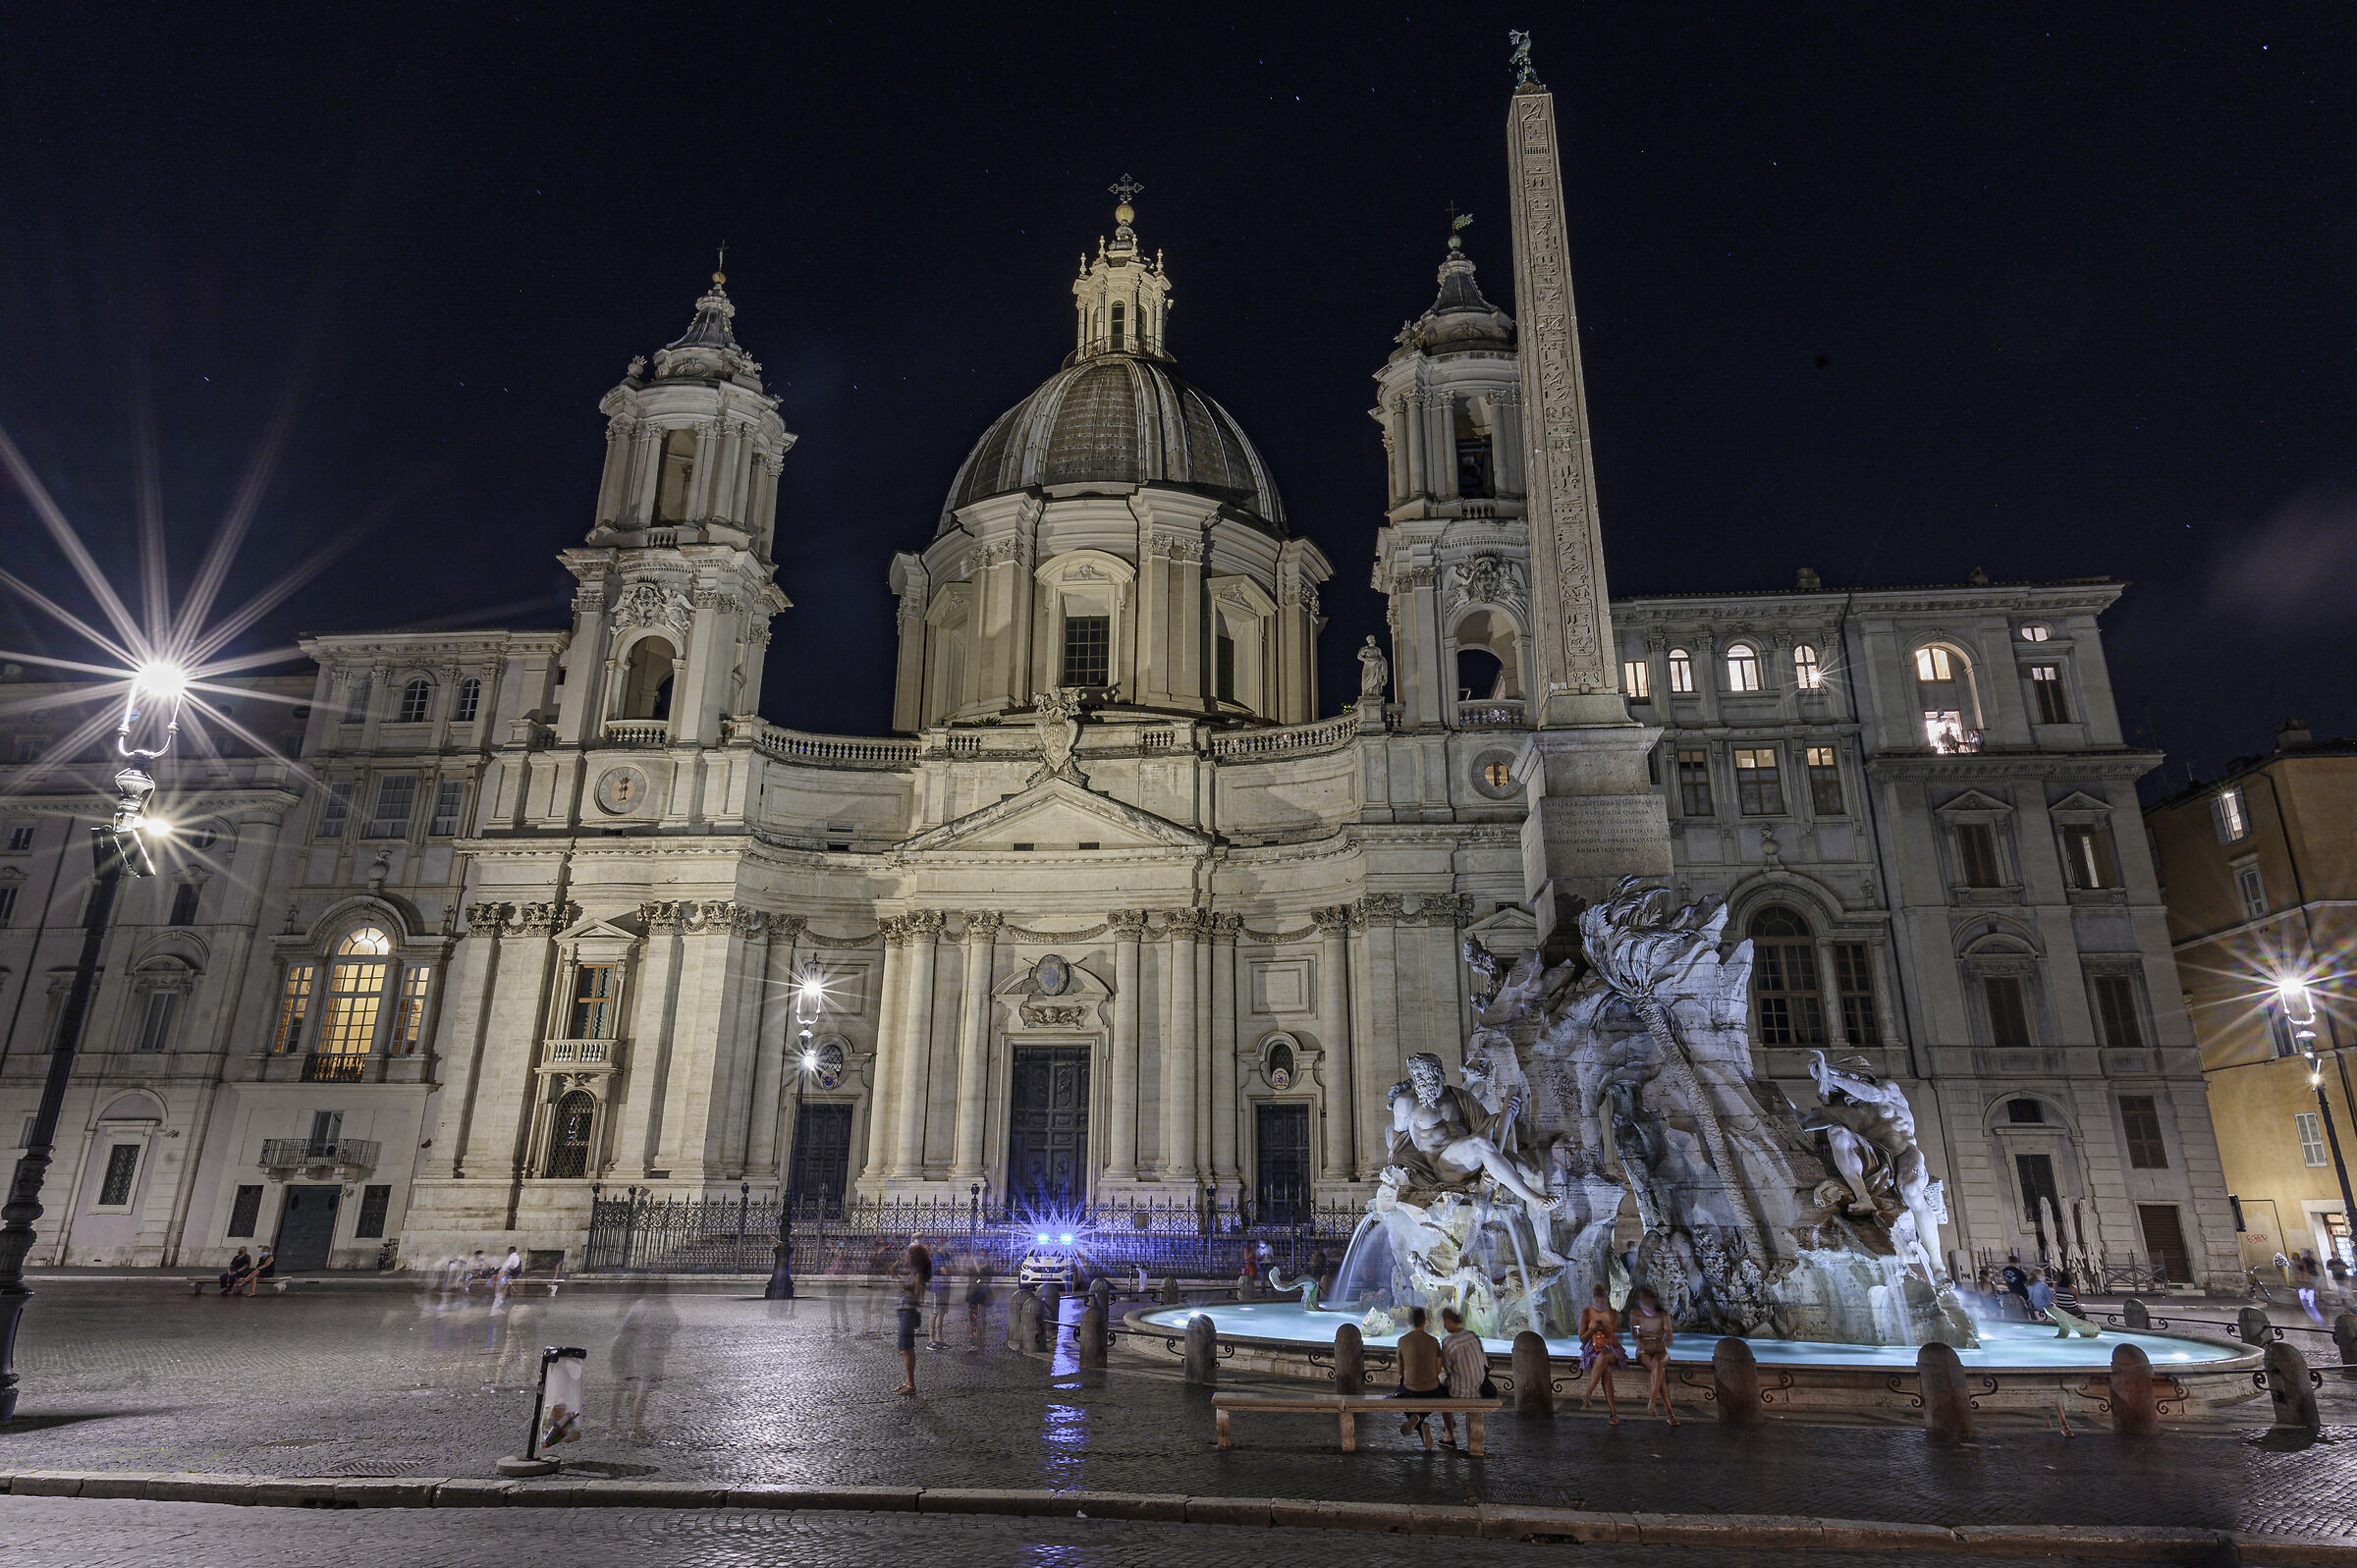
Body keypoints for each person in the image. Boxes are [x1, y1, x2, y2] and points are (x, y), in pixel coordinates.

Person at [1437, 1307, 1489, 1449]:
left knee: (1441, 1386)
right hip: (1480, 1387)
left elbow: (1448, 1369)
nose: (1444, 1326)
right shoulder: (1473, 1336)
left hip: (1460, 1391)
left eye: (1444, 1322)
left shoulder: (1448, 1341)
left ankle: (1449, 1436)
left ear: (1448, 1321)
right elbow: (1485, 1363)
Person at [1393, 1305, 1445, 1445]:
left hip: (1409, 1389)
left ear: (1410, 1321)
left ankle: (1418, 1420)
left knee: (1399, 1395)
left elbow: (1400, 1370)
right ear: (1424, 1321)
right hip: (1432, 1389)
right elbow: (1438, 1369)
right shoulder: (1434, 1341)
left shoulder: (1402, 1341)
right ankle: (1420, 1418)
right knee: (1440, 1393)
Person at [1576, 1282, 1626, 1424]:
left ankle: (1588, 1394)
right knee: (1606, 1370)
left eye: (1602, 1301)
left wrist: (1608, 1330)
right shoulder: (1586, 1313)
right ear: (1593, 1300)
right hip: (1593, 1350)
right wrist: (1591, 1330)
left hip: (1611, 1350)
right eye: (1597, 1301)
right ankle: (1613, 1412)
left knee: (1604, 1356)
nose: (1599, 1304)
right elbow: (1582, 1339)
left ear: (1606, 1299)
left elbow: (1619, 1338)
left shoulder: (1612, 1313)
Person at [1629, 1285, 1676, 1426]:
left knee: (1658, 1364)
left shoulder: (1663, 1315)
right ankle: (1669, 1413)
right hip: (1643, 1350)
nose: (1646, 1305)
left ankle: (1652, 1402)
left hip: (1660, 1350)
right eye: (1643, 1302)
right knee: (1659, 1371)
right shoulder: (1635, 1313)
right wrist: (1640, 1340)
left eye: (1649, 1302)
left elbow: (1669, 1338)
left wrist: (1660, 1343)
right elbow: (1634, 1334)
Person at [893, 1242, 932, 1396]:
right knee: (903, 1349)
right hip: (904, 1310)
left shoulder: (918, 1274)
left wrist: (902, 1285)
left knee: (906, 1348)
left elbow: (916, 1297)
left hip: (909, 1311)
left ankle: (911, 1384)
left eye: (907, 1255)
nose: (904, 1257)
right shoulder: (912, 1272)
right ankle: (908, 1382)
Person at [927, 1249, 954, 1350]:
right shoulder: (937, 1257)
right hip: (937, 1288)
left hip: (945, 1288)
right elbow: (946, 1271)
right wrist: (948, 1270)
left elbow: (954, 1269)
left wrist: (949, 1270)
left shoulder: (947, 1256)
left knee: (941, 1314)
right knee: (934, 1313)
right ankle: (930, 1340)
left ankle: (939, 1339)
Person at [965, 1260, 994, 1351]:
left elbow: (981, 1274)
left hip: (980, 1299)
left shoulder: (987, 1269)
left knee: (979, 1322)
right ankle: (976, 1342)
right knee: (974, 1322)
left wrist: (975, 1261)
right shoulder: (973, 1268)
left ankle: (979, 1343)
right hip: (973, 1298)